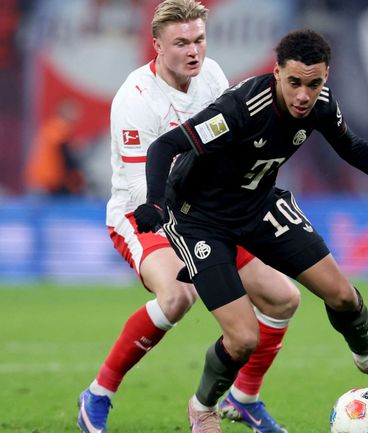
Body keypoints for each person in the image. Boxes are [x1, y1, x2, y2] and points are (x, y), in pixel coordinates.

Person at [133, 29, 368, 433]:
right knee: (243, 339)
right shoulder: (240, 110)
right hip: (200, 219)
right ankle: (202, 407)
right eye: (294, 82)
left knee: (343, 295)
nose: (303, 95)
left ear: (325, 77)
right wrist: (155, 203)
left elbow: (353, 148)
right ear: (277, 72)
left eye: (314, 84)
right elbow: (164, 147)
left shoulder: (321, 105)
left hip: (259, 205)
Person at [77, 2, 299, 433]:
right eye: (181, 43)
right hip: (143, 215)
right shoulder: (135, 98)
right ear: (157, 45)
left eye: (199, 40)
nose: (193, 51)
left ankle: (243, 399)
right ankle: (99, 393)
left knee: (282, 298)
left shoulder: (212, 76)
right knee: (178, 297)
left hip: (204, 212)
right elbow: (142, 189)